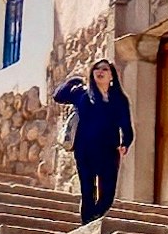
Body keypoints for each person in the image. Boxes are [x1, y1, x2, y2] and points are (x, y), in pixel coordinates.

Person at [49, 60, 134, 223]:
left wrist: (126, 143)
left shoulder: (119, 100)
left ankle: (96, 217)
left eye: (104, 69)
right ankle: (87, 224)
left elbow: (126, 126)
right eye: (96, 69)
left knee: (108, 194)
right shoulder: (82, 94)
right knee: (88, 190)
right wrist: (74, 81)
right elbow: (58, 96)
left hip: (109, 150)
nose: (100, 71)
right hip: (85, 150)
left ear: (111, 76)